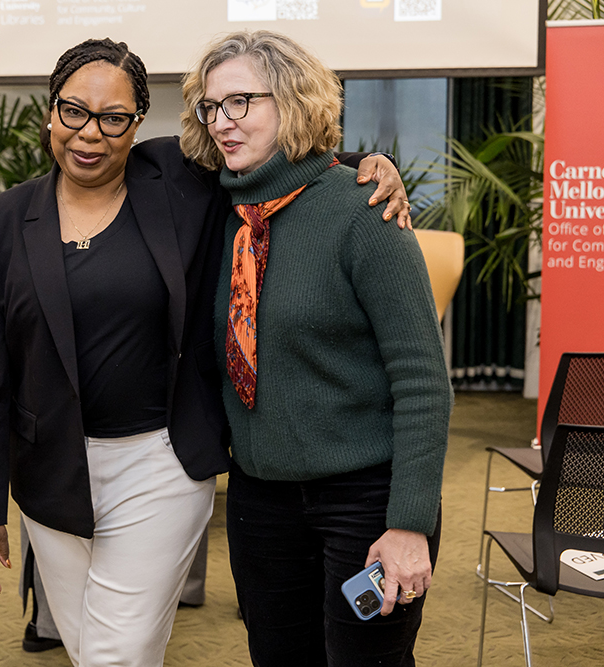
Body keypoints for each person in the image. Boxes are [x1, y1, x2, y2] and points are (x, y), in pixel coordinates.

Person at [0, 38, 410, 667]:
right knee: (90, 644)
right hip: (52, 468)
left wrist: (370, 162)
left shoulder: (174, 179)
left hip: (160, 462)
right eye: (73, 112)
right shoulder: (2, 221)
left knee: (116, 650)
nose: (90, 134)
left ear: (138, 124)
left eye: (114, 118)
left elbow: (277, 160)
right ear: (49, 113)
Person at [179, 31, 452, 667]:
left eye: (241, 101)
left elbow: (422, 381)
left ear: (295, 100)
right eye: (211, 107)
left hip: (366, 499)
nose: (223, 121)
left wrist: (409, 523)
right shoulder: (217, 214)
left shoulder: (364, 210)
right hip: (259, 498)